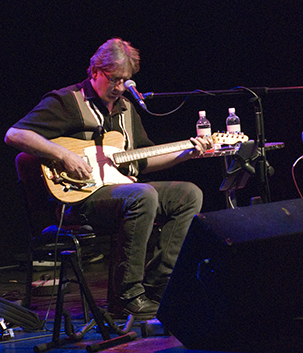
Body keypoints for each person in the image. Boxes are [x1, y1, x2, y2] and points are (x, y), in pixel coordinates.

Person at [5, 38, 212, 319]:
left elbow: (141, 160)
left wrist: (187, 154)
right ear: (95, 72)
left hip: (118, 192)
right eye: (114, 80)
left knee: (188, 194)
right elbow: (15, 135)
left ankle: (160, 285)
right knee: (142, 195)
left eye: (125, 81)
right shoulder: (67, 101)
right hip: (79, 198)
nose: (118, 88)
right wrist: (63, 155)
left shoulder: (127, 110)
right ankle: (125, 297)